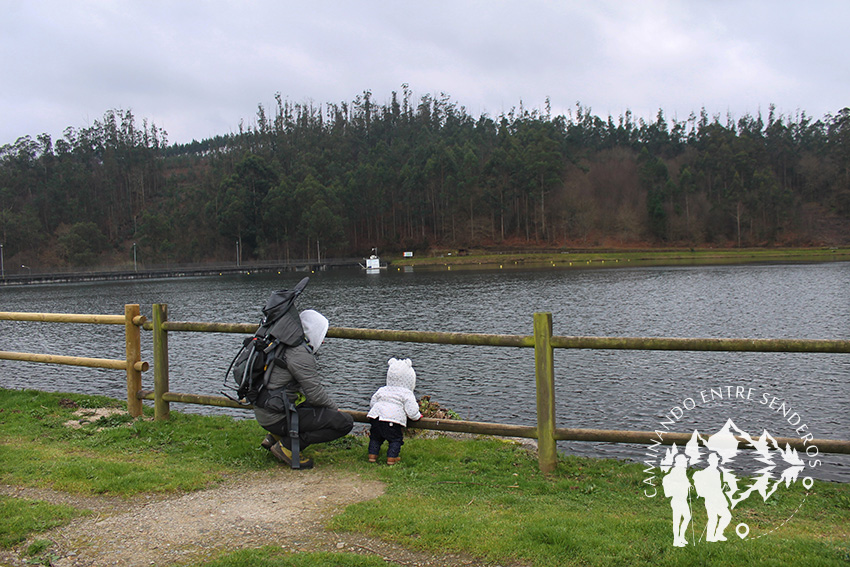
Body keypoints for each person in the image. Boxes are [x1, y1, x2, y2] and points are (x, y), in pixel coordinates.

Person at [255, 309, 354, 469]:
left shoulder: (281, 343)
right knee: (344, 423)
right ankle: (287, 446)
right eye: (321, 336)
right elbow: (316, 395)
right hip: (275, 416)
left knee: (309, 405)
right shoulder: (300, 354)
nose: (322, 342)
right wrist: (335, 410)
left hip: (266, 409)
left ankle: (274, 436)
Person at [367, 357, 422, 465]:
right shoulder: (406, 393)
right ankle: (392, 458)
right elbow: (411, 411)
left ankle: (372, 456)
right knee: (395, 440)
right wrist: (417, 416)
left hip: (376, 417)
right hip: (392, 420)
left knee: (375, 438)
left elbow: (373, 403)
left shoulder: (383, 389)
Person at [662, 453, 692, 547]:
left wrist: (688, 485)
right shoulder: (676, 471)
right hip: (677, 500)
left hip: (683, 500)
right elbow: (676, 482)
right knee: (677, 520)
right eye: (684, 461)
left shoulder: (682, 471)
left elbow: (684, 482)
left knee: (687, 517)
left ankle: (681, 537)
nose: (686, 463)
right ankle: (676, 540)